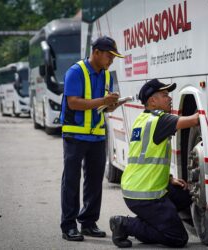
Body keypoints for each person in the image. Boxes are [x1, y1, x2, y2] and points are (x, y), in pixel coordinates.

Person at [109, 79, 199, 248]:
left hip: (138, 188)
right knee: (178, 238)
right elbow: (195, 120)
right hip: (145, 196)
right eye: (165, 95)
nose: (170, 98)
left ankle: (154, 219)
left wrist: (169, 178)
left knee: (184, 195)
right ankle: (125, 224)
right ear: (152, 101)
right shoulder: (159, 121)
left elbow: (149, 159)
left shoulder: (143, 119)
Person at [60, 36, 125, 241]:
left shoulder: (106, 75)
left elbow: (103, 106)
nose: (111, 60)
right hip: (74, 134)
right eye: (109, 56)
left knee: (95, 181)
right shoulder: (75, 72)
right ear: (96, 52)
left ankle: (88, 222)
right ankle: (69, 225)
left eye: (114, 57)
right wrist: (103, 100)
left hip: (97, 135)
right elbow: (74, 103)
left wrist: (113, 104)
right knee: (71, 180)